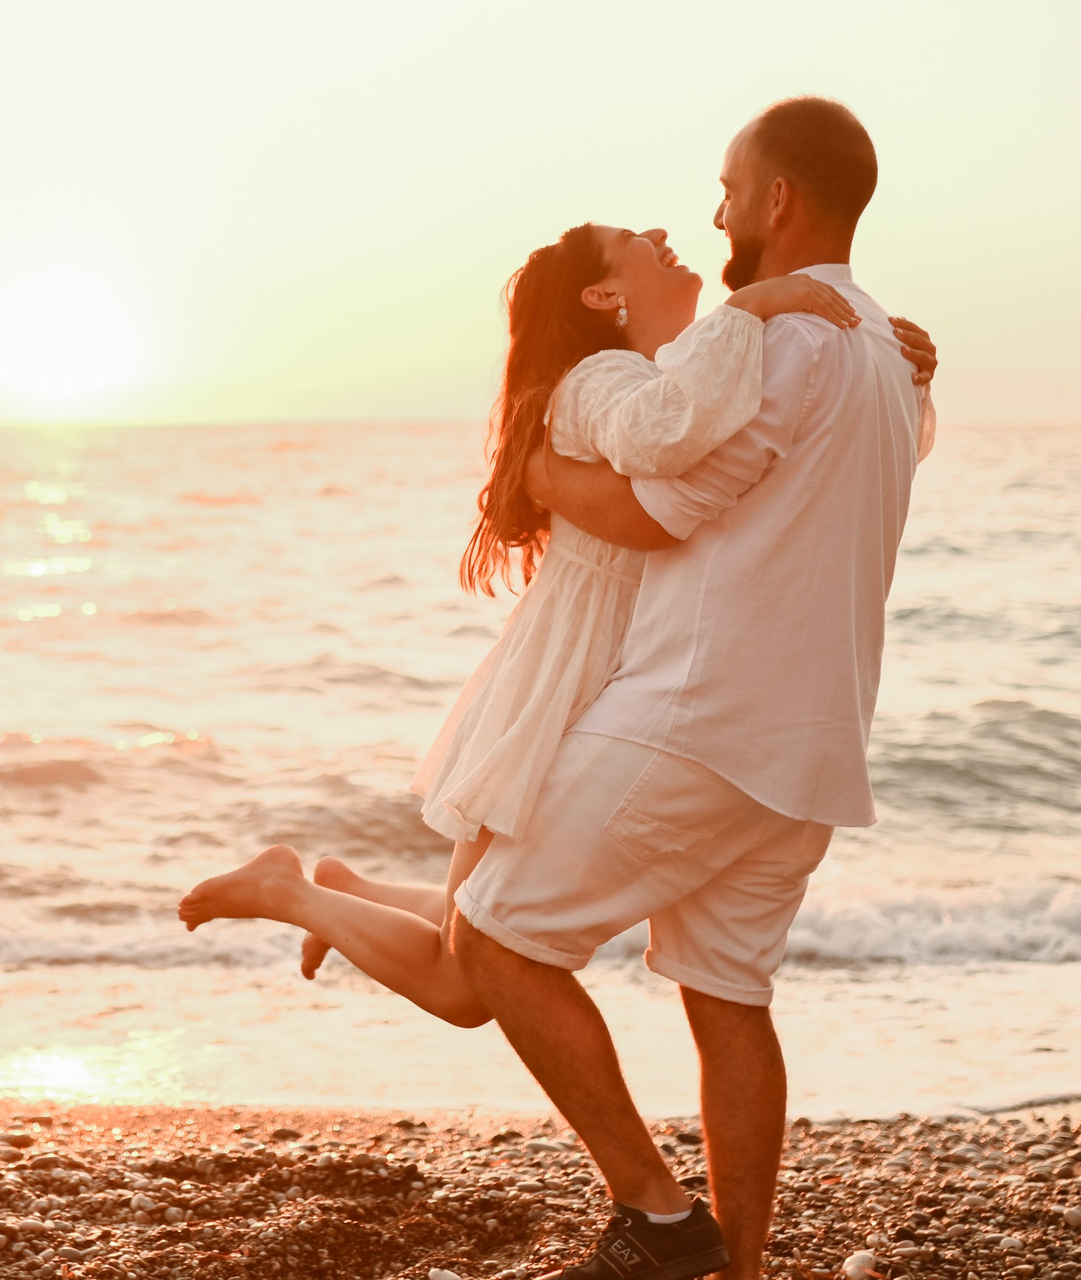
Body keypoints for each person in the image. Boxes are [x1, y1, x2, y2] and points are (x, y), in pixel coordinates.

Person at [191, 96, 928, 1280]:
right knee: (729, 1002)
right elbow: (843, 462)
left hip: (699, 717)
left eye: (723, 188)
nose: (705, 215)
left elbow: (685, 487)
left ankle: (652, 1214)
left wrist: (566, 463)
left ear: (776, 204)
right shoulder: (882, 352)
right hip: (810, 749)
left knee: (498, 943)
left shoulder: (779, 344)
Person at [180, 231, 935, 1027]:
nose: (662, 239)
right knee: (467, 981)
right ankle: (290, 893)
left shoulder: (662, 375)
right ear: (602, 297)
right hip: (576, 679)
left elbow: (793, 456)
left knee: (489, 923)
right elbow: (666, 434)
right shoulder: (603, 378)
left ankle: (345, 892)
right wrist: (748, 305)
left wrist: (893, 372)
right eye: (634, 244)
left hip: (618, 674)